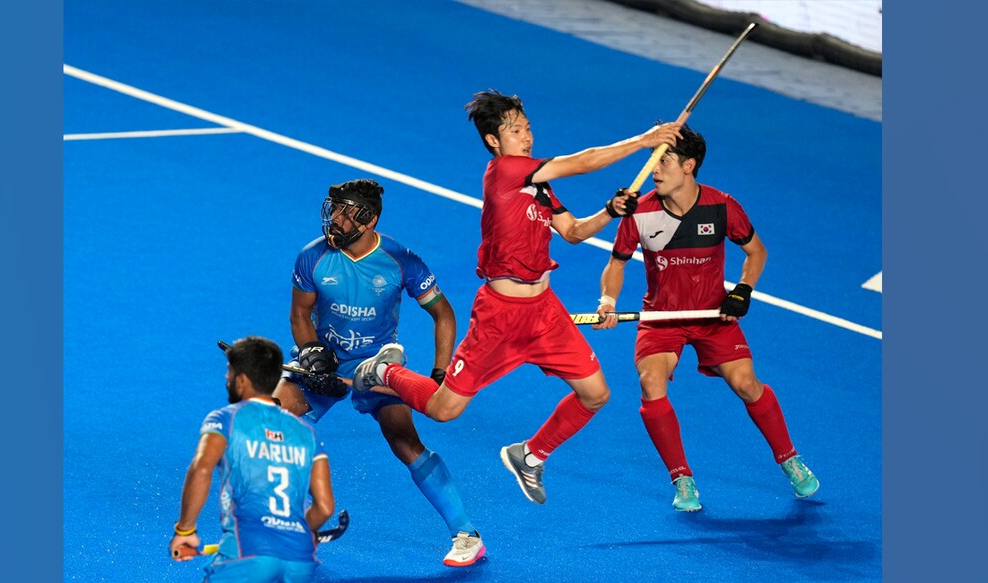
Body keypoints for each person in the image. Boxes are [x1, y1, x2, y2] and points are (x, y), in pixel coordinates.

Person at [351, 89, 683, 505]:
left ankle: (529, 455)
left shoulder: (539, 188)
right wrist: (644, 140)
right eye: (514, 130)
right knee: (443, 410)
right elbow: (581, 162)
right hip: (499, 316)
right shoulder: (505, 171)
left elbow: (575, 233)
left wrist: (611, 211)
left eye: (527, 128)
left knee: (596, 393)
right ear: (494, 140)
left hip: (544, 312)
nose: (525, 136)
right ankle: (385, 373)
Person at [592, 124, 820, 512]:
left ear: (689, 166)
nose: (654, 170)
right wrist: (607, 300)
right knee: (651, 383)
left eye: (662, 161)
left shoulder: (722, 206)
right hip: (662, 316)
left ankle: (789, 459)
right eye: (652, 161)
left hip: (712, 314)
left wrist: (742, 290)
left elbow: (757, 253)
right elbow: (616, 263)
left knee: (746, 384)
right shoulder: (640, 212)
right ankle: (682, 478)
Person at [273, 178, 485, 567]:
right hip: (324, 362)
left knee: (404, 441)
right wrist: (312, 352)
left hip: (376, 366)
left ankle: (467, 534)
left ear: (368, 219)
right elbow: (300, 315)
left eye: (344, 212)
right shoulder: (312, 256)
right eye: (333, 209)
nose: (333, 219)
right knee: (273, 420)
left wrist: (439, 374)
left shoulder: (400, 260)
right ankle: (305, 524)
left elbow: (443, 314)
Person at [170, 336, 334, 583]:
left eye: (229, 372)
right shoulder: (305, 434)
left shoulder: (226, 419)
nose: (227, 379)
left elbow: (201, 470)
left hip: (247, 554)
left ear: (243, 379)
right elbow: (324, 507)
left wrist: (185, 530)